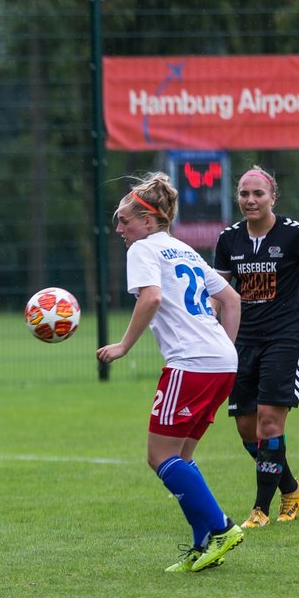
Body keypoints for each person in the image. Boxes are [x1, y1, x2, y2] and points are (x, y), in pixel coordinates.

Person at [97, 172, 244, 572]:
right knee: (182, 455)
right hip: (221, 363)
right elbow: (230, 300)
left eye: (124, 220)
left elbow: (152, 297)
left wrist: (124, 345)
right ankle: (203, 545)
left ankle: (221, 528)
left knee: (159, 456)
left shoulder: (143, 250)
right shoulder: (184, 250)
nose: (119, 229)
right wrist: (224, 352)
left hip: (191, 364)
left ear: (148, 221)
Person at [213, 166, 299, 528]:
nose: (250, 200)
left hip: (285, 338)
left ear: (273, 197)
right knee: (247, 429)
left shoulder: (294, 234)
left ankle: (260, 509)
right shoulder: (229, 240)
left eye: (258, 193)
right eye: (244, 194)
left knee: (269, 424)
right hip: (242, 342)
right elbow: (219, 296)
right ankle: (292, 488)